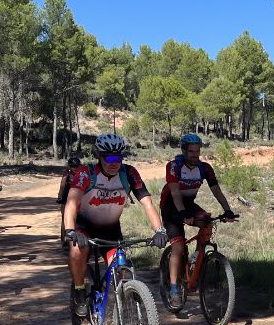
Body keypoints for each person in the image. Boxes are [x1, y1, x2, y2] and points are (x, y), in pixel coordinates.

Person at [63, 134, 167, 311]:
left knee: (122, 270)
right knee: (77, 251)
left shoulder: (129, 173)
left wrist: (160, 230)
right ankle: (79, 289)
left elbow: (147, 203)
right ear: (99, 156)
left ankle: (120, 316)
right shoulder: (86, 173)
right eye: (109, 158)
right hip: (84, 227)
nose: (114, 163)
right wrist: (70, 230)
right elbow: (71, 203)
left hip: (111, 230)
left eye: (118, 158)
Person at [160, 133, 238, 300]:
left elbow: (216, 191)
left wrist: (228, 210)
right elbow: (175, 192)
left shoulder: (205, 168)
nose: (195, 155)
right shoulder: (174, 166)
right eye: (191, 151)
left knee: (207, 221)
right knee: (178, 247)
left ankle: (195, 262)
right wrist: (182, 214)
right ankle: (173, 288)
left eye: (197, 151)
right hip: (171, 207)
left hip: (189, 204)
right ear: (183, 151)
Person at [57, 155, 82, 250]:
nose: (74, 168)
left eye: (76, 166)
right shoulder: (67, 174)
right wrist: (60, 197)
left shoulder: (82, 173)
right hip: (67, 197)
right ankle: (64, 241)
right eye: (72, 166)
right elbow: (62, 186)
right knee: (65, 219)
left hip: (78, 197)